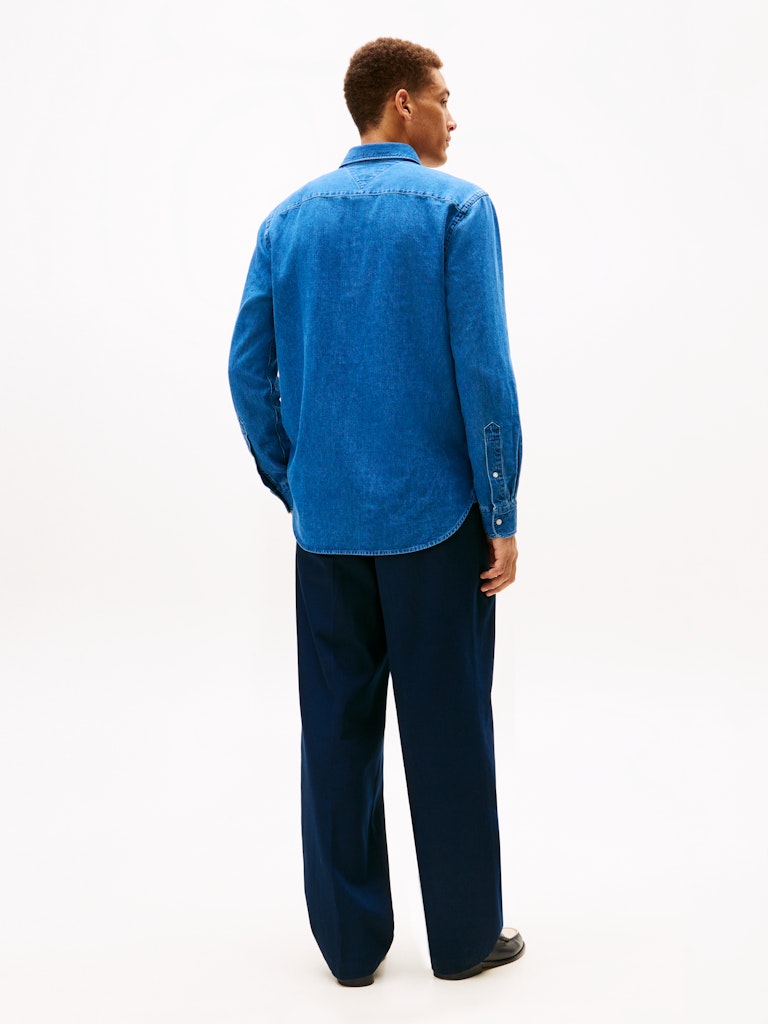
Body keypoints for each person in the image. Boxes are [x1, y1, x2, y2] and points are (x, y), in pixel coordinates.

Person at [228, 36, 524, 987]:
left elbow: (247, 369)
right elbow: (484, 374)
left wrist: (296, 479)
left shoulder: (287, 221)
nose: (452, 117)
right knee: (449, 730)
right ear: (402, 102)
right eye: (442, 97)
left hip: (328, 527)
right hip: (438, 523)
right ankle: (464, 940)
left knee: (336, 732)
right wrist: (501, 508)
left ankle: (351, 951)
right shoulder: (458, 210)